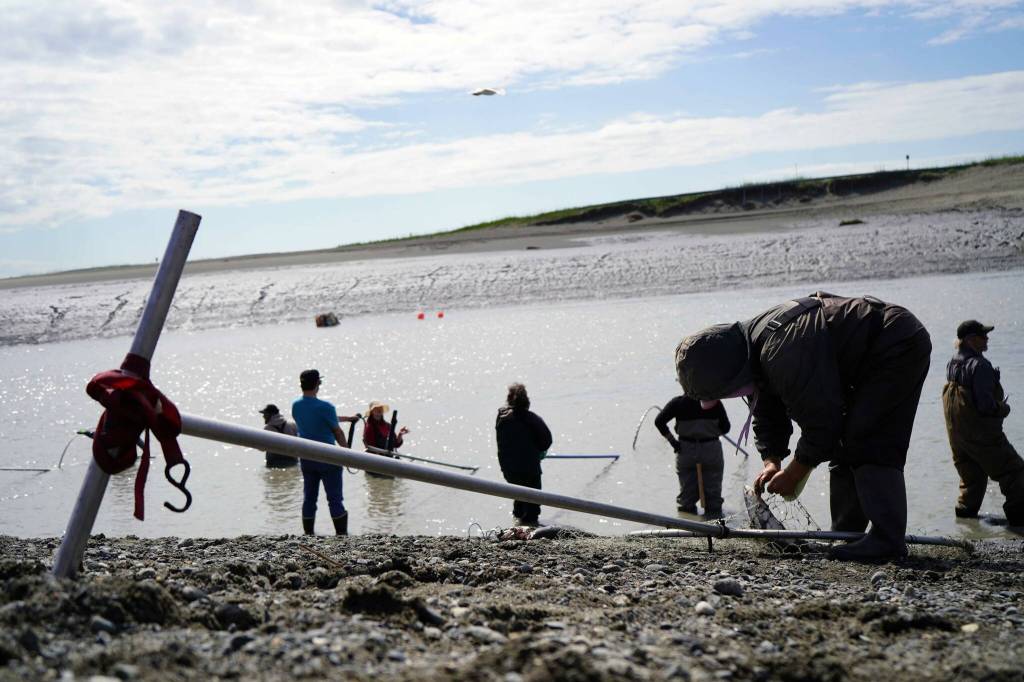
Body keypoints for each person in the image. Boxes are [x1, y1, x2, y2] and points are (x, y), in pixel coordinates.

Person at [674, 292, 931, 561]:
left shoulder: (782, 351)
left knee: (869, 439)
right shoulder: (747, 353)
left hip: (894, 343)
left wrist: (796, 472)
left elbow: (823, 422)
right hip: (862, 356)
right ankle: (846, 534)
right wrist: (771, 461)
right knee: (846, 444)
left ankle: (887, 540)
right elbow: (765, 410)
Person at [942, 320, 1023, 525]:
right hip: (982, 437)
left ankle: (965, 523)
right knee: (1015, 473)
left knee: (972, 480)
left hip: (958, 437)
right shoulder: (980, 365)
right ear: (970, 340)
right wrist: (1004, 408)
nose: (987, 338)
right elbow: (986, 406)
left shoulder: (952, 363)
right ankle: (1019, 522)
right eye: (983, 336)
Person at [291, 369, 350, 536]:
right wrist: (347, 454)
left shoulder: (296, 405)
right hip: (328, 457)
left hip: (307, 457)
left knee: (309, 498)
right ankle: (342, 535)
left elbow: (309, 422)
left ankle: (308, 534)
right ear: (318, 384)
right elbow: (337, 432)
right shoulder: (327, 407)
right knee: (334, 499)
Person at [654, 395, 730, 518]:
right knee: (713, 498)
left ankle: (688, 527)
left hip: (686, 450)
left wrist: (673, 442)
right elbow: (726, 428)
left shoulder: (678, 403)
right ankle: (715, 527)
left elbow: (659, 421)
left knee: (686, 499)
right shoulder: (714, 403)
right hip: (711, 451)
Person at [495, 383, 552, 526]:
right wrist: (540, 452)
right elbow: (546, 441)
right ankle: (529, 527)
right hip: (529, 468)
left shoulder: (501, 417)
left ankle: (517, 524)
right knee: (533, 502)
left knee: (518, 495)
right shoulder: (532, 419)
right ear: (527, 401)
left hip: (509, 469)